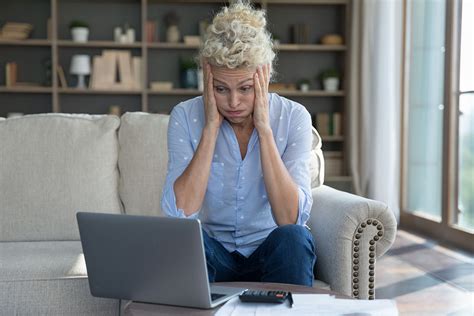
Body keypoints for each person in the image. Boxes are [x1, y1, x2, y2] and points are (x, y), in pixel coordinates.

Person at [161, 1, 316, 287]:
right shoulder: (185, 116)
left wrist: (265, 130)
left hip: (269, 249)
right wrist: (210, 128)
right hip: (214, 253)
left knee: (295, 238)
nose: (233, 103)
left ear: (265, 74)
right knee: (184, 242)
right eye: (221, 89)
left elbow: (289, 218)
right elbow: (180, 213)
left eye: (245, 88)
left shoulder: (294, 117)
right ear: (206, 76)